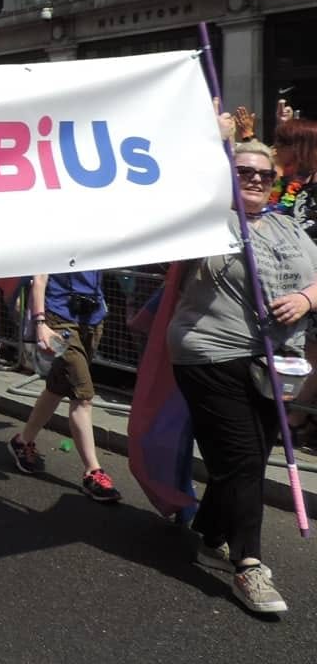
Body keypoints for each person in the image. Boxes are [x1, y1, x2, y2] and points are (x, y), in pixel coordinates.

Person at [168, 139, 317, 614]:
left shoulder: (287, 225)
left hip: (275, 359)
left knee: (253, 449)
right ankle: (249, 566)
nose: (255, 179)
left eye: (264, 174)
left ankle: (212, 533)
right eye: (244, 170)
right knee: (244, 459)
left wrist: (308, 299)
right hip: (209, 353)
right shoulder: (203, 221)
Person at [8, 269, 121, 503]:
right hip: (58, 320)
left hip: (92, 318)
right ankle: (93, 471)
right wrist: (40, 322)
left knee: (57, 388)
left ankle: (22, 441)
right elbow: (39, 277)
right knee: (83, 396)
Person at [267, 115, 317, 446]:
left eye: (283, 143)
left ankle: (298, 415)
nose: (275, 149)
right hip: (294, 283)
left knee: (313, 352)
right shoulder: (293, 184)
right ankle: (295, 412)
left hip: (314, 287)